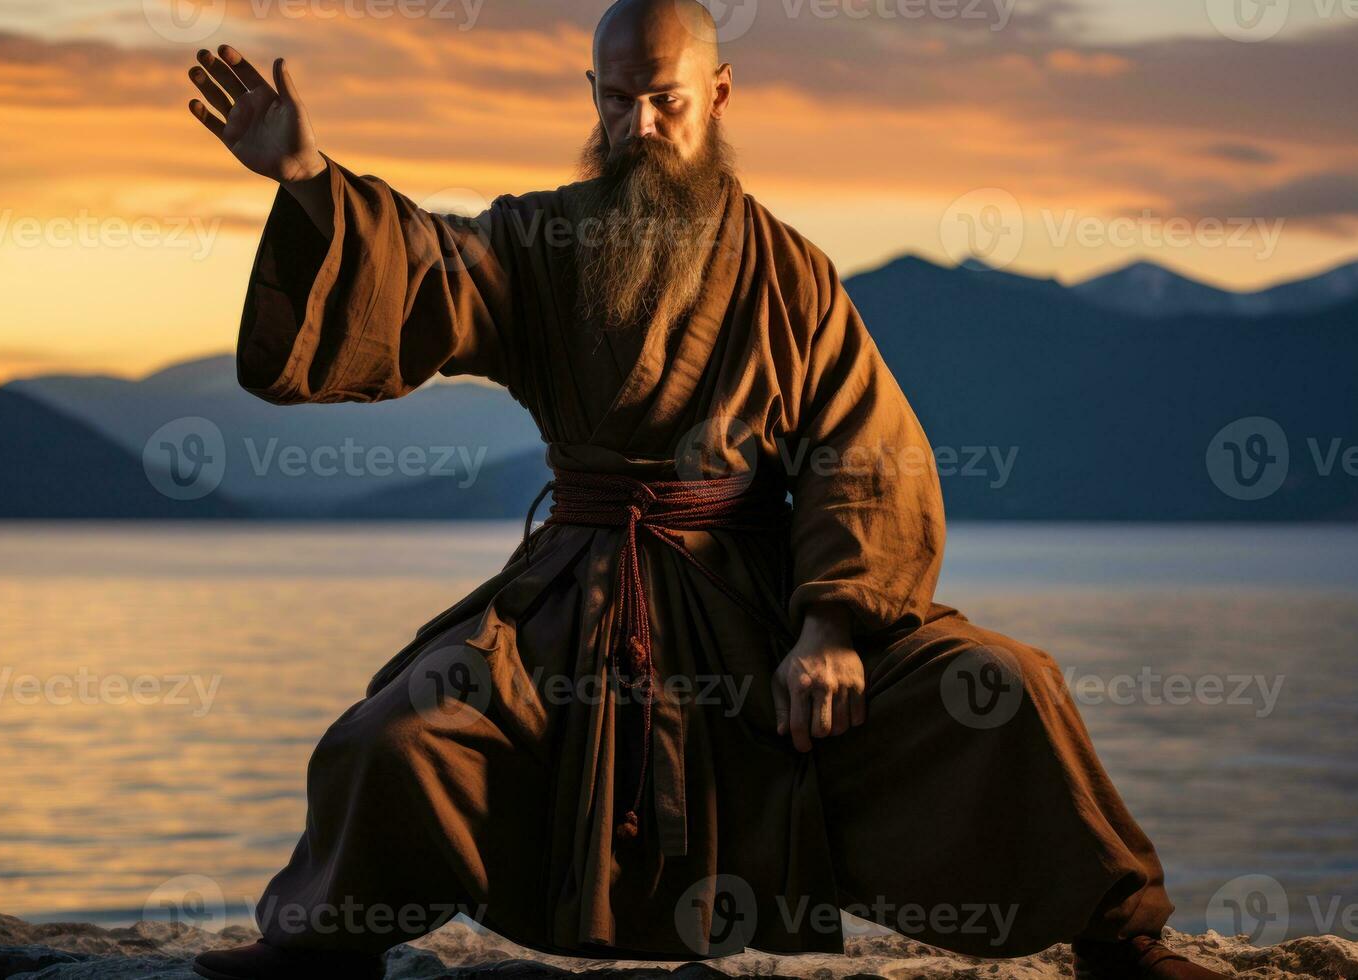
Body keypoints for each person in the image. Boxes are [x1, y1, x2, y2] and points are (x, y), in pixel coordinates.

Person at [184, 2, 1226, 977]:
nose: (637, 125)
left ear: (718, 93)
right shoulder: (539, 243)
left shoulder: (790, 273)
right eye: (613, 98)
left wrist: (833, 626)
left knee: (1008, 685)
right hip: (573, 609)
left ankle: (1119, 941)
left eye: (664, 99)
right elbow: (426, 271)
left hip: (758, 607)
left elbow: (864, 451)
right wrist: (310, 176)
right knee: (395, 737)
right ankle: (316, 950)